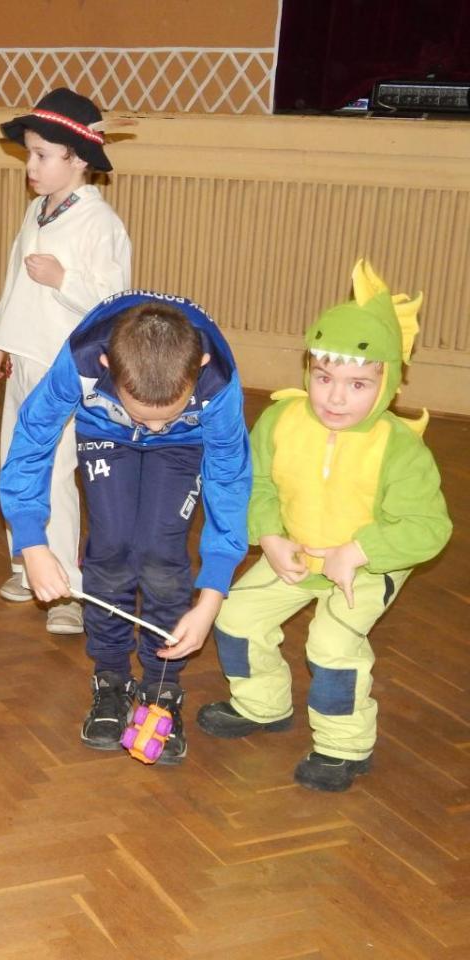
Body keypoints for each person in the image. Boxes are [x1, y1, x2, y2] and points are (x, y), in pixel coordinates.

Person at [191, 260, 451, 792]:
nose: (335, 397)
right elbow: (258, 484)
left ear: (388, 383)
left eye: (357, 384)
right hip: (296, 550)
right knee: (236, 618)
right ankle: (262, 704)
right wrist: (270, 536)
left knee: (332, 644)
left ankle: (342, 745)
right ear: (307, 369)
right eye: (324, 378)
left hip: (368, 565)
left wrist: (358, 551)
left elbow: (428, 528)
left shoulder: (399, 450)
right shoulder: (280, 420)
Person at [0, 292, 252, 763]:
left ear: (199, 366)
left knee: (161, 553)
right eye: (142, 416)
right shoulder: (81, 360)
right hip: (106, 434)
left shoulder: (218, 383)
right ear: (106, 366)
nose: (151, 429)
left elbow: (229, 483)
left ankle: (161, 686)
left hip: (184, 444)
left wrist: (212, 597)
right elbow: (32, 439)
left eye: (164, 415)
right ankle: (111, 678)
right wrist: (32, 544)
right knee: (112, 545)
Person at [0, 88, 132, 633]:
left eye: (42, 155)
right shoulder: (37, 210)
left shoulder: (100, 223)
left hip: (67, 369)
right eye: (29, 153)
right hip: (26, 355)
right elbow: (13, 279)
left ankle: (66, 585)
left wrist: (64, 279)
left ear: (77, 159)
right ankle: (29, 563)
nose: (31, 165)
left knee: (52, 472)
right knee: (18, 464)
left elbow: (113, 301)